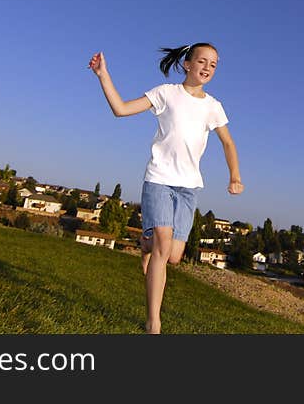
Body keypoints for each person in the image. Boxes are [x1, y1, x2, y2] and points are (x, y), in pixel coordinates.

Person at [88, 42, 244, 334]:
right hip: (159, 179)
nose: (208, 67)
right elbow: (121, 110)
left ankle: (145, 245)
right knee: (163, 246)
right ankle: (153, 322)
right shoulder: (165, 93)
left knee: (172, 255)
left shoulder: (213, 107)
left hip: (188, 187)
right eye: (202, 61)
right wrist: (102, 75)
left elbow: (228, 142)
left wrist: (234, 176)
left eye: (214, 64)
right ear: (187, 64)